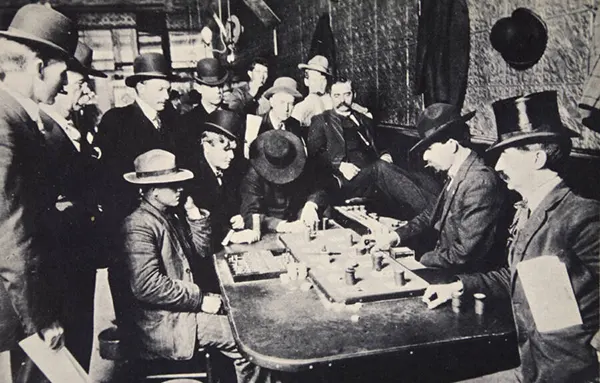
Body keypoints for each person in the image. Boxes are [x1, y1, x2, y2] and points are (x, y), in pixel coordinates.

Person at [423, 91, 599, 382]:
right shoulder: (529, 211)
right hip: (532, 368)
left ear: (538, 159)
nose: (499, 165)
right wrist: (458, 286)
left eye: (506, 154)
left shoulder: (582, 216)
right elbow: (516, 275)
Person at [111, 149, 263, 383]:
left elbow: (200, 253)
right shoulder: (138, 225)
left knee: (245, 316)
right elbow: (147, 286)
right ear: (152, 190)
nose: (180, 188)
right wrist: (201, 300)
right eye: (172, 184)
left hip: (179, 311)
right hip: (163, 323)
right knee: (247, 341)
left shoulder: (167, 215)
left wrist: (193, 213)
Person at [0, 3, 78, 380]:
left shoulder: (16, 114)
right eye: (62, 73)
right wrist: (40, 318)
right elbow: (10, 228)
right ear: (38, 66)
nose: (64, 83)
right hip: (22, 305)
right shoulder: (5, 120)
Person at [371, 103, 508, 273]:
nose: (425, 157)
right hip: (445, 262)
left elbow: (464, 254)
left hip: (463, 278)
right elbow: (432, 213)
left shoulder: (480, 182)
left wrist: (419, 262)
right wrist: (396, 236)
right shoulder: (458, 172)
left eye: (429, 148)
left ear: (451, 145)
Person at [39, 41, 106, 371]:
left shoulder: (73, 127)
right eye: (80, 84)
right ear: (62, 84)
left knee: (81, 337)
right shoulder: (43, 131)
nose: (85, 92)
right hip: (61, 257)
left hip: (80, 252)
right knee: (62, 351)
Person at [308, 77, 441, 220]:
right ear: (330, 97)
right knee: (380, 169)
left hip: (374, 175)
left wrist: (385, 154)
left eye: (347, 94)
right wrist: (339, 165)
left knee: (423, 178)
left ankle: (442, 205)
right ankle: (435, 216)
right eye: (337, 95)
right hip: (347, 180)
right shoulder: (322, 120)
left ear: (354, 95)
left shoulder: (364, 120)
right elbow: (315, 155)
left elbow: (380, 145)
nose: (342, 100)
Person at [95, 52, 177, 225]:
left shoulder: (171, 120)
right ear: (140, 87)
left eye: (168, 90)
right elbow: (106, 176)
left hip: (166, 216)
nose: (167, 96)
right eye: (160, 90)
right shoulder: (117, 120)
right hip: (130, 217)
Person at [240, 130, 327, 234]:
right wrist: (282, 226)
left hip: (300, 225)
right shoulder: (252, 176)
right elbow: (250, 215)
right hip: (271, 232)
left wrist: (311, 205)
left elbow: (318, 188)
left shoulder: (299, 164)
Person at [292, 55, 372, 127]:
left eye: (322, 80)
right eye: (314, 80)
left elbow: (361, 111)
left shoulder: (333, 98)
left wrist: (364, 113)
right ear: (306, 81)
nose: (319, 84)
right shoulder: (301, 107)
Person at [176, 57, 229, 160]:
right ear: (198, 88)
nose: (218, 90)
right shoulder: (186, 123)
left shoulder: (232, 117)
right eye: (211, 86)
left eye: (220, 85)